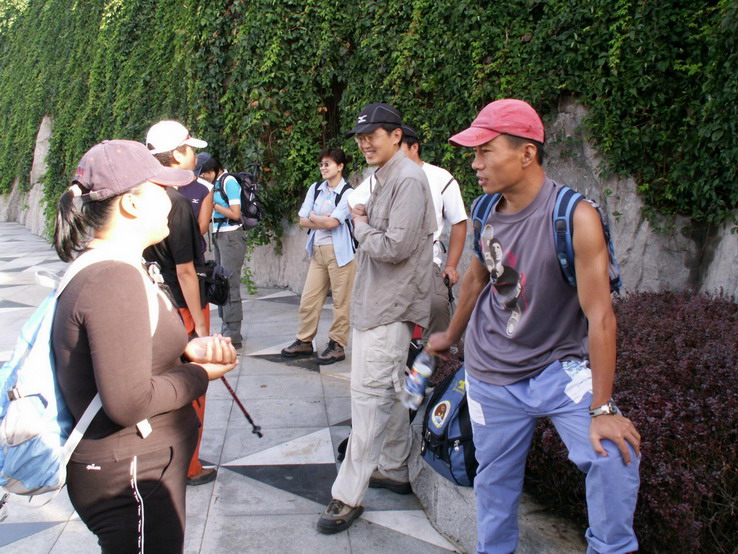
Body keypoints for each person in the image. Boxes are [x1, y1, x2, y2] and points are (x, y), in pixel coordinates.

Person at [427, 99, 641, 553]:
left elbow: (601, 316)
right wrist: (452, 334)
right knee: (494, 482)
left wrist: (603, 409)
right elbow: (476, 278)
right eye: (474, 153)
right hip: (490, 373)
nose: (475, 164)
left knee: (614, 456)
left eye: (485, 151)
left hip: (557, 369)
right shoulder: (484, 209)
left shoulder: (575, 217)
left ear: (526, 153)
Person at [51, 140, 237, 552]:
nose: (171, 199)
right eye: (161, 189)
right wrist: (200, 374)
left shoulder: (120, 267)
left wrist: (186, 351)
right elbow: (128, 402)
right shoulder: (112, 278)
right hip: (130, 475)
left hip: (140, 469)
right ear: (131, 204)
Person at [317, 103, 435, 534]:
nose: (365, 143)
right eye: (361, 138)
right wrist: (364, 223)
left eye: (373, 136)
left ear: (396, 136)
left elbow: (394, 247)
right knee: (390, 388)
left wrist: (359, 225)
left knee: (367, 399)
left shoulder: (408, 180)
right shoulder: (384, 176)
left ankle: (347, 495)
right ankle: (395, 467)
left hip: (390, 306)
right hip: (378, 303)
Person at [143, 120, 216, 486]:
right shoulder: (177, 203)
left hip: (152, 303)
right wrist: (201, 328)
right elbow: (186, 270)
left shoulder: (139, 197)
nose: (194, 157)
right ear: (175, 155)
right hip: (183, 306)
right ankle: (189, 465)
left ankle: (158, 456)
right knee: (192, 383)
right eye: (189, 150)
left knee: (161, 382)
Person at [281, 148, 357, 364]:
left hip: (340, 253)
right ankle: (304, 341)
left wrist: (315, 217)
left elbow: (333, 222)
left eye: (327, 164)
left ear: (340, 166)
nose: (323, 168)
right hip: (318, 251)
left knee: (341, 302)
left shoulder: (348, 193)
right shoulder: (315, 189)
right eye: (321, 164)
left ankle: (337, 345)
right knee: (309, 299)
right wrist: (321, 219)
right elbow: (302, 220)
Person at [399, 124, 468, 337]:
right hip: (392, 258)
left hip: (426, 259)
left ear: (414, 147)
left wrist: (451, 266)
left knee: (436, 304)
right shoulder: (380, 177)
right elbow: (355, 204)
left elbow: (459, 221)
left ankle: (437, 353)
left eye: (398, 148)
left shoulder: (440, 177)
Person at [199, 156, 248, 347]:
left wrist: (213, 204)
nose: (203, 177)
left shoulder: (229, 182)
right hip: (220, 236)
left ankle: (233, 334)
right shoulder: (217, 183)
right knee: (220, 282)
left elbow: (235, 214)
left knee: (230, 284)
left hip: (231, 237)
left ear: (212, 170)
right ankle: (226, 328)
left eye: (204, 174)